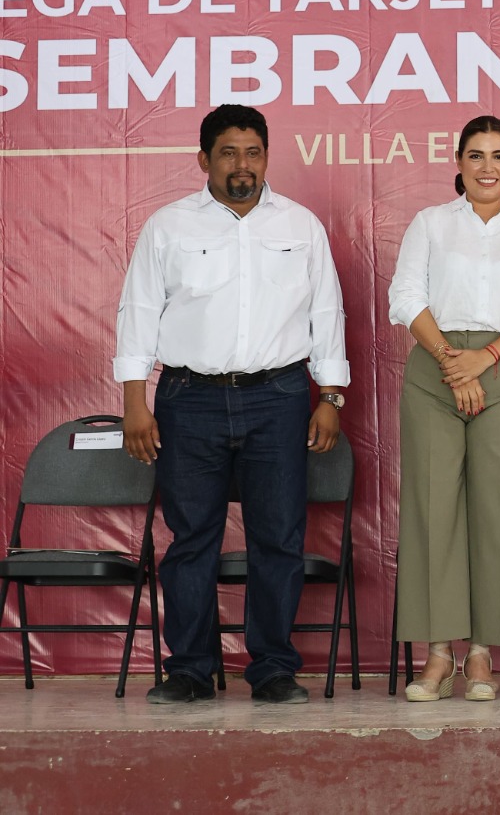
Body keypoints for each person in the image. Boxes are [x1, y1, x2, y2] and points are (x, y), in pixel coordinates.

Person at [114, 104, 348, 705]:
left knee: (278, 538)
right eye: (228, 152)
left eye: (252, 152)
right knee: (192, 539)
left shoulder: (301, 227)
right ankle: (190, 668)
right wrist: (135, 401)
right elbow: (138, 312)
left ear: (267, 157)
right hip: (188, 400)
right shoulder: (169, 226)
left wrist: (332, 396)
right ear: (203, 159)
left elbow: (326, 314)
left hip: (280, 398)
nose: (241, 164)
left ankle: (271, 667)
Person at [388, 114, 500, 702]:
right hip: (435, 366)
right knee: (434, 507)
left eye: (499, 156)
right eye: (476, 155)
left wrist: (483, 358)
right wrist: (449, 359)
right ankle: (438, 654)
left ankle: (483, 653)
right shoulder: (431, 223)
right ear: (458, 162)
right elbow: (406, 296)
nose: (488, 167)